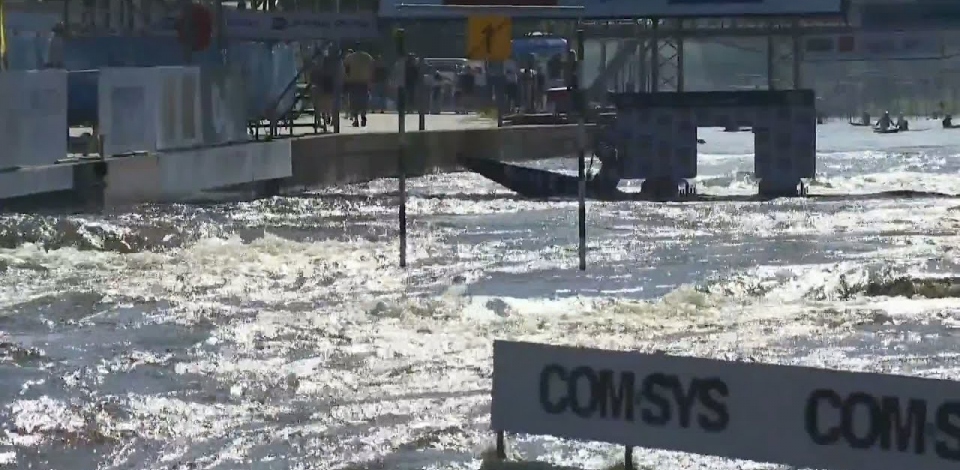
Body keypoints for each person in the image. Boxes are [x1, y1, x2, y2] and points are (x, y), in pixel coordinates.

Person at [343, 48, 374, 127]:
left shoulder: (350, 57)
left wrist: (347, 77)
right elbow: (372, 68)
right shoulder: (368, 57)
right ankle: (363, 115)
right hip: (364, 82)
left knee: (354, 101)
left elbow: (345, 68)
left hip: (353, 81)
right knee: (364, 100)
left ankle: (356, 119)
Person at [309, 52, 338, 133]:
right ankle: (324, 119)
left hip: (323, 90)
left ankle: (322, 119)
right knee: (324, 105)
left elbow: (312, 79)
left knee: (320, 105)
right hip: (325, 90)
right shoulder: (328, 69)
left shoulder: (316, 69)